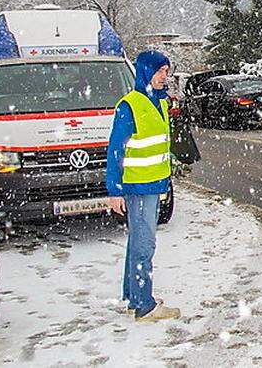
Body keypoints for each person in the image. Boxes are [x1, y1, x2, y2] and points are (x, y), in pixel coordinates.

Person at [106, 50, 180, 322]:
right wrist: (114, 190)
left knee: (137, 242)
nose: (164, 77)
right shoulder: (131, 105)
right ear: (147, 72)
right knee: (143, 245)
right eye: (161, 71)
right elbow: (116, 149)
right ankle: (145, 306)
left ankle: (133, 297)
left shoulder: (158, 102)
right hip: (138, 186)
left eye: (166, 72)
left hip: (152, 184)